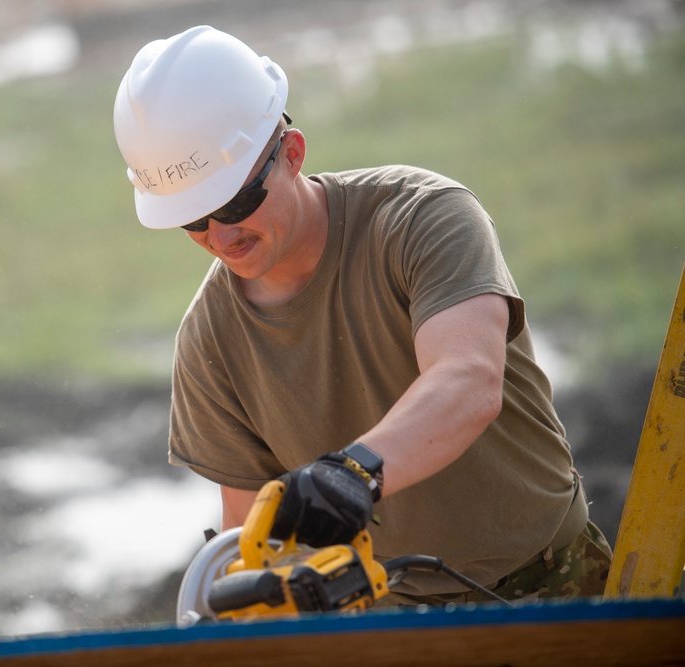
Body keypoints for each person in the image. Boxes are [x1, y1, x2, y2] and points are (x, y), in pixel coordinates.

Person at [112, 25, 611, 605]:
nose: (220, 236)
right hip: (385, 617)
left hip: (557, 581)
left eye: (235, 202)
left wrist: (354, 475)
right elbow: (250, 537)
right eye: (193, 219)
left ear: (292, 155)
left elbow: (469, 381)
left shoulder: (421, 219)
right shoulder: (209, 343)